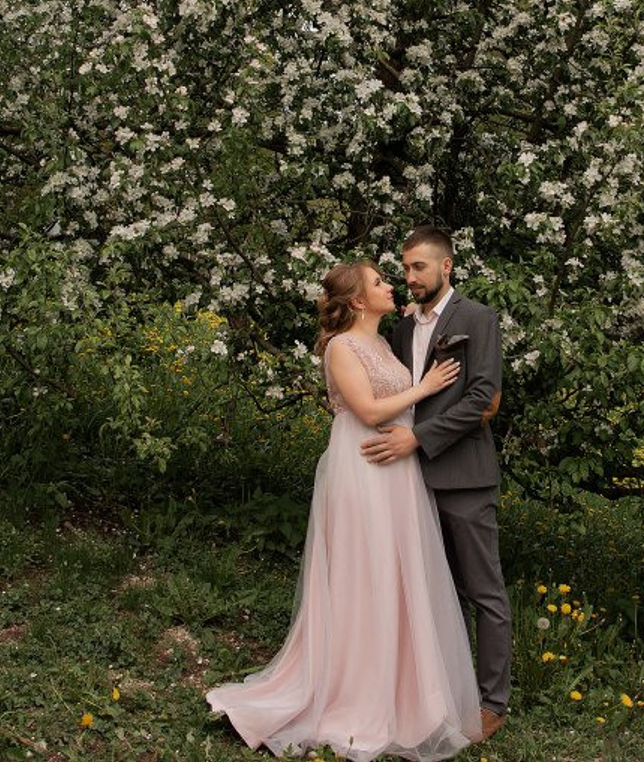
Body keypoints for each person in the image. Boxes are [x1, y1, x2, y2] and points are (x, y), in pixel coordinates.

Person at [206, 259, 482, 761]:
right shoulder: (341, 347)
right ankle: (349, 691)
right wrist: (428, 385)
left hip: (396, 467)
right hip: (361, 466)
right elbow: (370, 411)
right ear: (357, 300)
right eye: (379, 282)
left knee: (396, 575)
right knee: (363, 574)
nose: (389, 286)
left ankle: (399, 694)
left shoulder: (381, 343)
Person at [360, 227, 511, 743]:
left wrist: (418, 440)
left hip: (464, 477)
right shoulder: (401, 328)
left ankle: (492, 701)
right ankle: (440, 690)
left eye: (419, 268)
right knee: (430, 593)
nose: (410, 278)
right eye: (404, 269)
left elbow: (482, 398)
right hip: (409, 485)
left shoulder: (477, 318)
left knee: (482, 590)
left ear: (446, 266)